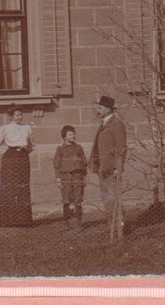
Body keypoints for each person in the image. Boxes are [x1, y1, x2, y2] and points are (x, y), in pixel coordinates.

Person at [88, 95, 128, 241]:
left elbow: (121, 148)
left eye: (100, 108)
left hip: (112, 170)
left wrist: (118, 168)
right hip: (103, 169)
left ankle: (119, 230)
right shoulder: (104, 123)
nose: (97, 110)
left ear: (108, 109)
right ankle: (113, 228)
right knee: (107, 200)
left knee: (112, 199)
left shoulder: (116, 124)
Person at [0, 108, 34, 227]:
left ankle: (23, 221)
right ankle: (5, 221)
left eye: (21, 115)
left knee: (23, 188)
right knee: (8, 188)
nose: (19, 117)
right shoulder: (5, 128)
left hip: (23, 159)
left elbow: (31, 145)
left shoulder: (27, 128)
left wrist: (23, 153)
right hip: (10, 159)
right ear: (11, 117)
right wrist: (7, 152)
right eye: (17, 115)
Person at [52, 125, 87, 229]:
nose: (73, 136)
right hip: (65, 177)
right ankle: (66, 222)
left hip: (78, 177)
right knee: (66, 200)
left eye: (73, 134)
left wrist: (84, 177)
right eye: (70, 134)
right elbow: (56, 165)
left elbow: (84, 162)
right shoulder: (60, 149)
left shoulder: (79, 148)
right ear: (64, 137)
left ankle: (79, 223)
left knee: (78, 199)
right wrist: (58, 178)